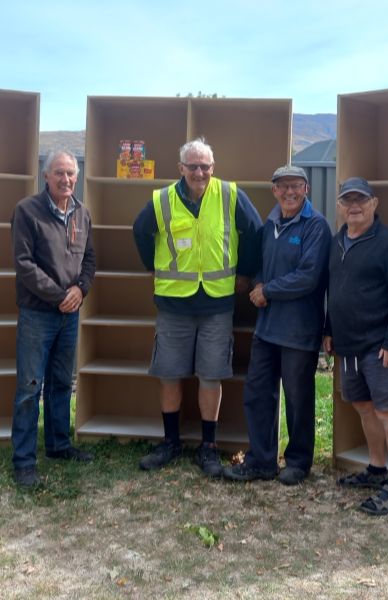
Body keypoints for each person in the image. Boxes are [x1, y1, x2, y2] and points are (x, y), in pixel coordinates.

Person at [132, 137, 262, 477]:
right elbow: (139, 232)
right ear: (181, 169)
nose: (199, 172)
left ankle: (208, 446)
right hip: (173, 304)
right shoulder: (162, 200)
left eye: (205, 166)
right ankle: (171, 442)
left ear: (212, 168)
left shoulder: (231, 195)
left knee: (211, 375)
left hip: (217, 304)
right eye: (193, 166)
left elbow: (255, 232)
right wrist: (153, 267)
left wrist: (245, 273)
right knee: (170, 374)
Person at [223, 165, 331, 486]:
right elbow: (260, 267)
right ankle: (262, 460)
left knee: (297, 398)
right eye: (283, 187)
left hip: (299, 330)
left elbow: (308, 277)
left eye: (295, 186)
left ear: (306, 189)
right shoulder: (269, 224)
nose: (289, 192)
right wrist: (257, 284)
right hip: (267, 328)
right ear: (274, 190)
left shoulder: (316, 227)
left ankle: (298, 461)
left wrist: (267, 290)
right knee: (258, 393)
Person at [323, 176, 388, 514]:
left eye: (360, 200)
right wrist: (329, 329)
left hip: (379, 347)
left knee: (387, 412)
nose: (354, 206)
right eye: (347, 200)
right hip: (347, 346)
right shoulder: (336, 243)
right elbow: (335, 292)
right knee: (363, 408)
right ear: (340, 207)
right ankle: (377, 469)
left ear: (374, 204)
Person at [10, 150, 96, 487]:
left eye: (71, 173)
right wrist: (60, 295)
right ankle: (24, 461)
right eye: (59, 173)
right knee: (30, 389)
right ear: (46, 176)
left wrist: (80, 290)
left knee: (62, 383)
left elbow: (89, 260)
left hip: (69, 315)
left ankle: (59, 445)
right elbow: (24, 264)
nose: (66, 179)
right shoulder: (26, 211)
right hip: (37, 314)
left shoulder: (82, 214)